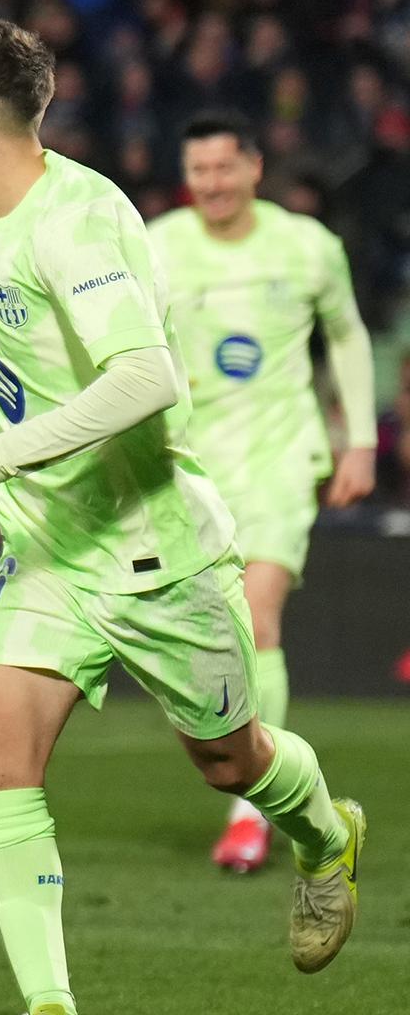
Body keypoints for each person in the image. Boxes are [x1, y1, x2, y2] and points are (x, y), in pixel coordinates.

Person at [0, 23, 364, 1015]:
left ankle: (323, 836)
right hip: (51, 551)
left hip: (149, 551)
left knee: (231, 759)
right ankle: (50, 1004)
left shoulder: (76, 222)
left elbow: (145, 376)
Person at [149, 112, 378, 874]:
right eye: (198, 171)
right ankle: (268, 785)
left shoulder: (307, 246)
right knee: (214, 642)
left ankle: (250, 813)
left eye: (224, 168)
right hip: (187, 468)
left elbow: (346, 335)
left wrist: (361, 441)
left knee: (259, 619)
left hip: (281, 458)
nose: (211, 184)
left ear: (253, 168)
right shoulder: (159, 246)